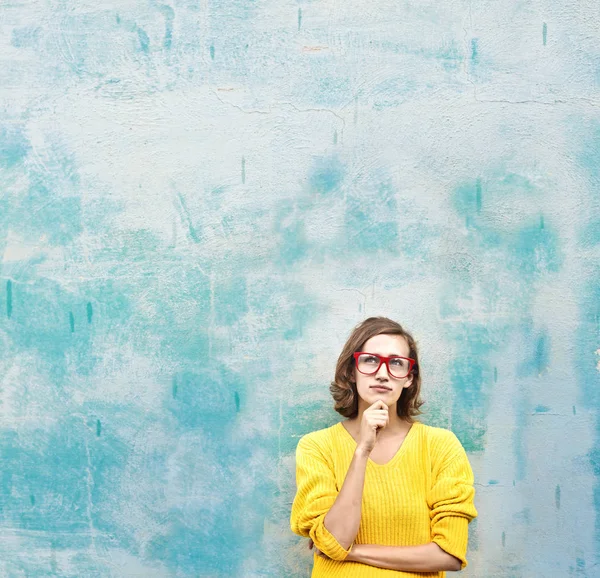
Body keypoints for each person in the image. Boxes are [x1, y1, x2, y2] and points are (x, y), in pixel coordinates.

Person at [290, 316, 478, 577]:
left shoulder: (440, 445)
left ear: (409, 378)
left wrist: (351, 552)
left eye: (396, 363)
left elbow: (449, 554)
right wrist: (362, 451)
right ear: (350, 371)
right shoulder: (316, 447)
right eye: (370, 360)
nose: (382, 373)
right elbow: (337, 536)